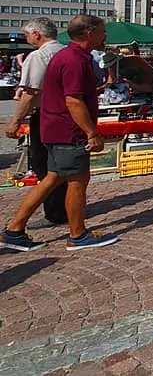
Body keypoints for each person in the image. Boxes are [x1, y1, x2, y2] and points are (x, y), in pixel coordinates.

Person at [1, 15, 119, 252]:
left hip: (56, 128)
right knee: (77, 179)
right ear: (89, 33)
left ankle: (14, 229)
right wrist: (91, 132)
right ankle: (77, 234)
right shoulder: (73, 59)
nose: (105, 36)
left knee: (53, 178)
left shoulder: (70, 56)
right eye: (102, 31)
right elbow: (73, 100)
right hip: (68, 130)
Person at [4, 18, 67, 226]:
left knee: (44, 165)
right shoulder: (67, 52)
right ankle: (67, 207)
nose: (26, 38)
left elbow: (30, 93)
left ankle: (55, 212)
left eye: (27, 34)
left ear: (37, 34)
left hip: (46, 114)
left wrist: (15, 120)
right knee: (64, 164)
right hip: (67, 114)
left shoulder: (39, 56)